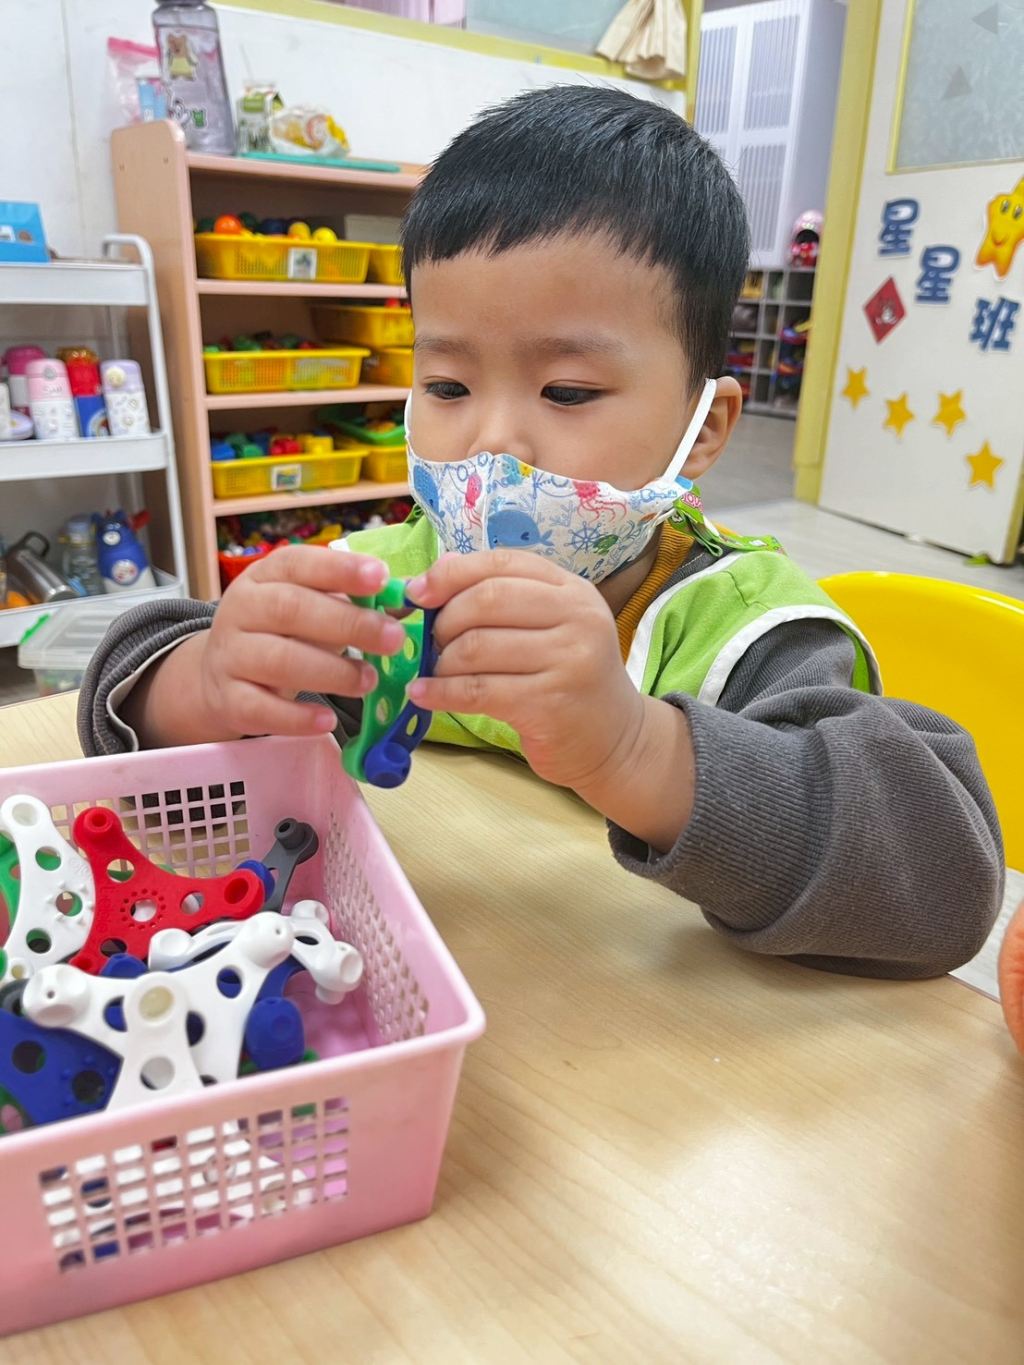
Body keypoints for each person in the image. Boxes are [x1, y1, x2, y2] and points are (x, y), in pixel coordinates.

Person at [80, 85, 1002, 979]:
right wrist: (201, 683)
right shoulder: (390, 588)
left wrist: (635, 749)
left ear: (704, 428)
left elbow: (946, 887)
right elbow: (138, 719)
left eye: (567, 391)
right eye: (447, 385)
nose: (491, 440)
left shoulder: (746, 634)